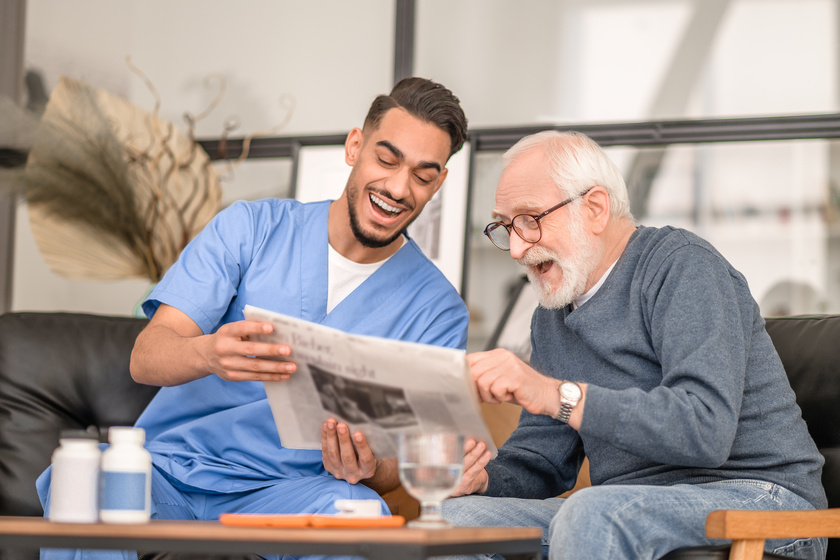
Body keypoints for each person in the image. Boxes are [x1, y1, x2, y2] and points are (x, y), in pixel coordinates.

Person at [35, 76, 469, 559]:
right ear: (354, 146)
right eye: (386, 159)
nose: (397, 187)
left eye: (423, 175)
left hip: (290, 494)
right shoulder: (250, 229)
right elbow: (145, 357)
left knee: (355, 510)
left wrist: (369, 467)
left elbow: (405, 464)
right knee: (86, 484)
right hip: (169, 472)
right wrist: (207, 352)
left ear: (439, 184)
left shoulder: (438, 311)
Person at [443, 130, 828, 560]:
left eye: (531, 220)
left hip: (762, 501)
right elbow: (543, 459)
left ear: (594, 208)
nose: (516, 249)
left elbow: (704, 429)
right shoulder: (551, 318)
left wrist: (556, 395)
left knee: (591, 513)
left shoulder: (683, 267)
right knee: (453, 522)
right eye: (506, 226)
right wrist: (485, 479)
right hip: (627, 506)